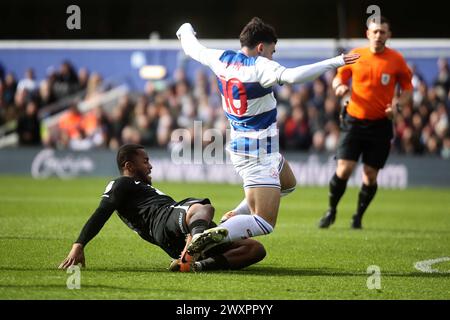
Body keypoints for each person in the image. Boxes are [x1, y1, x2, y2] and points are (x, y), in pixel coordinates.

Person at [176, 17, 359, 254]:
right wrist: (337, 61)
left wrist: (186, 28)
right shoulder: (260, 66)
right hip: (257, 152)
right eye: (272, 51)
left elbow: (191, 47)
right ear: (261, 47)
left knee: (288, 183)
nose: (273, 57)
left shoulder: (221, 58)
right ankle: (216, 233)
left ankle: (236, 214)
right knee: (264, 222)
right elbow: (293, 77)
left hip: (248, 146)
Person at [58, 144, 266, 272]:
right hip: (164, 219)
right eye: (145, 161)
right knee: (201, 207)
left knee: (255, 249)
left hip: (172, 236)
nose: (150, 166)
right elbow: (102, 212)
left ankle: (193, 263)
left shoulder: (141, 188)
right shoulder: (121, 184)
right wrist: (79, 244)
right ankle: (196, 240)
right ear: (128, 166)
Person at [318, 17, 413, 229]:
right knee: (344, 169)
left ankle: (358, 216)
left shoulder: (397, 60)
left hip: (381, 124)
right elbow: (338, 78)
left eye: (383, 32)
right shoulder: (355, 55)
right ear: (368, 34)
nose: (378, 35)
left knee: (370, 175)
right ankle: (331, 210)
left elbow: (407, 89)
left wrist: (397, 106)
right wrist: (339, 87)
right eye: (375, 31)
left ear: (389, 35)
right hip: (353, 120)